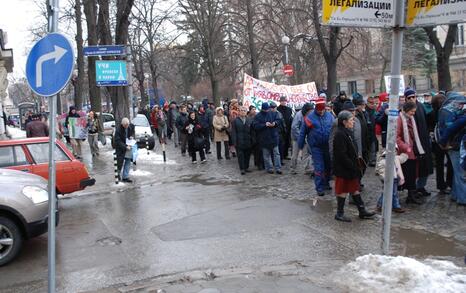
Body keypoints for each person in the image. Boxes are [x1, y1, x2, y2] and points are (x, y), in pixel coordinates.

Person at [333, 110, 375, 222]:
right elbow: (341, 154)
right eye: (351, 120)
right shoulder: (339, 134)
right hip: (344, 169)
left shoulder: (347, 132)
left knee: (354, 189)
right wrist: (352, 165)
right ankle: (339, 213)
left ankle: (362, 211)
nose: (353, 122)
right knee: (343, 191)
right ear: (344, 122)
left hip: (350, 168)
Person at [298, 99, 334, 196]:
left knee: (328, 166)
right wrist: (300, 148)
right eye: (319, 110)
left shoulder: (330, 116)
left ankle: (326, 183)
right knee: (319, 167)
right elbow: (302, 133)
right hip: (316, 147)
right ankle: (319, 187)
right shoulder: (309, 118)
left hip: (327, 146)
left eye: (323, 110)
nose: (321, 112)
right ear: (316, 109)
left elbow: (335, 130)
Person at [437, 92, 466, 205]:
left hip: (453, 146)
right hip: (454, 146)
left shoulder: (448, 111)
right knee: (460, 173)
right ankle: (463, 199)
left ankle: (455, 194)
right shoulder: (451, 112)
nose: (462, 105)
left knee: (457, 172)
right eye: (460, 103)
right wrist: (443, 143)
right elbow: (449, 129)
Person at [404, 88, 433, 197]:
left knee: (425, 167)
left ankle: (421, 186)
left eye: (414, 97)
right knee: (414, 168)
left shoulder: (420, 106)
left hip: (424, 141)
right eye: (409, 97)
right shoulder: (405, 109)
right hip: (413, 143)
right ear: (406, 98)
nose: (412, 99)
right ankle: (413, 189)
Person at [396, 101, 424, 204]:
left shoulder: (410, 118)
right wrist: (406, 147)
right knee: (408, 173)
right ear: (407, 110)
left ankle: (411, 195)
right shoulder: (399, 119)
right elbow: (396, 137)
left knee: (412, 173)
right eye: (412, 111)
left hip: (412, 150)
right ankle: (409, 195)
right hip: (406, 151)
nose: (413, 113)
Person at [431, 93, 453, 194]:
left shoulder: (431, 114)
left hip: (436, 142)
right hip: (447, 140)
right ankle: (450, 182)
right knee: (450, 162)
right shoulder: (446, 112)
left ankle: (441, 186)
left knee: (439, 165)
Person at [253, 102, 282, 174]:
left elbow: (279, 120)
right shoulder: (258, 116)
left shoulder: (273, 113)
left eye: (267, 109)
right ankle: (269, 168)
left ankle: (278, 168)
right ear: (262, 109)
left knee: (276, 153)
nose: (267, 111)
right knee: (266, 155)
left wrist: (275, 123)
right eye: (265, 110)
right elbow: (255, 126)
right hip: (264, 138)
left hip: (273, 137)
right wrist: (264, 125)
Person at [290, 103, 313, 175]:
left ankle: (307, 169)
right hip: (296, 137)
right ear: (307, 110)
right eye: (310, 110)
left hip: (305, 137)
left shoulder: (310, 115)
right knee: (295, 154)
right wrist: (300, 136)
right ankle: (292, 168)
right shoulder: (298, 115)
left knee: (306, 153)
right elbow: (294, 127)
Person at [231, 106, 253, 175]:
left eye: (244, 110)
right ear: (239, 112)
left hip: (248, 141)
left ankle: (246, 167)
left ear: (246, 112)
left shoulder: (249, 120)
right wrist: (234, 142)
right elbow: (233, 132)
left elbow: (252, 131)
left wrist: (253, 140)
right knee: (240, 156)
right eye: (241, 110)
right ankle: (242, 169)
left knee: (247, 155)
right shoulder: (235, 121)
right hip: (239, 141)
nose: (243, 112)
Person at [114, 118, 135, 183]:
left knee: (128, 161)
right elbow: (118, 141)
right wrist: (125, 146)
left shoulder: (129, 126)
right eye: (125, 125)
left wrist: (131, 136)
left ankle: (125, 177)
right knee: (119, 162)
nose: (126, 126)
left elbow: (132, 131)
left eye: (127, 125)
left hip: (128, 146)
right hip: (121, 148)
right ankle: (118, 176)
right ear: (122, 124)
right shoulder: (118, 130)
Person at [366, 95, 379, 166]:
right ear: (367, 103)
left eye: (374, 103)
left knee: (374, 147)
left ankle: (372, 160)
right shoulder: (365, 111)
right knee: (371, 147)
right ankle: (371, 160)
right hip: (368, 133)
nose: (373, 104)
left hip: (373, 132)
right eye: (371, 103)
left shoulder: (373, 111)